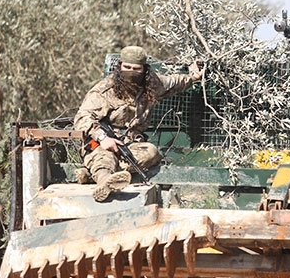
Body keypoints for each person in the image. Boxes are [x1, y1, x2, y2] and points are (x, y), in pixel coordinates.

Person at [74, 45, 203, 202]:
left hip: (131, 144)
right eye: (127, 67)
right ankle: (103, 180)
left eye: (136, 68)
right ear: (119, 66)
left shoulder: (152, 84)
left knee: (152, 152)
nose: (131, 72)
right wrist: (102, 138)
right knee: (104, 156)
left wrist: (193, 77)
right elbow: (82, 117)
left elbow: (173, 83)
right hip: (101, 142)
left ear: (145, 69)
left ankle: (95, 175)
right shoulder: (104, 90)